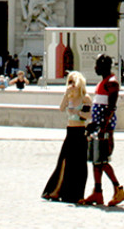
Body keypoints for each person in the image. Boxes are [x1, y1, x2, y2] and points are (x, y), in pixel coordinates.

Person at [80, 54, 124, 207]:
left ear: (105, 66)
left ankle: (118, 188)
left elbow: (111, 108)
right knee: (96, 161)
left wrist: (103, 128)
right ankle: (98, 192)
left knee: (103, 161)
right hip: (98, 127)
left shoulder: (112, 83)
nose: (95, 68)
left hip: (104, 129)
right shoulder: (103, 83)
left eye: (97, 65)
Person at [43, 71, 91, 203]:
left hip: (80, 132)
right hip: (70, 131)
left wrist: (77, 111)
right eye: (69, 82)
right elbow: (61, 108)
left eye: (73, 82)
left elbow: (88, 116)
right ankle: (56, 190)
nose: (71, 85)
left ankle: (75, 193)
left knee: (79, 164)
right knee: (63, 162)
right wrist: (66, 94)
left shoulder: (85, 98)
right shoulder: (70, 97)